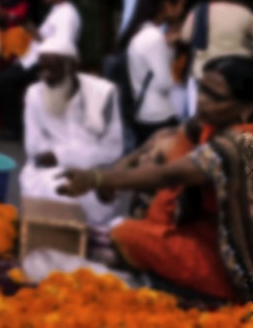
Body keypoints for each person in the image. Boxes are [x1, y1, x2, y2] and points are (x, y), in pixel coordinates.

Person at [60, 56, 253, 301]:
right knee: (171, 141)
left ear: (246, 107)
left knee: (125, 234)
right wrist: (129, 161)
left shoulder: (242, 144)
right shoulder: (214, 123)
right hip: (202, 230)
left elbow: (169, 175)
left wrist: (98, 178)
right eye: (201, 89)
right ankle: (155, 229)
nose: (202, 101)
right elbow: (168, 136)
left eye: (215, 97)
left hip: (234, 267)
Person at [20, 35, 124, 228]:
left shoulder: (103, 94)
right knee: (56, 190)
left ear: (73, 66)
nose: (46, 75)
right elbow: (34, 147)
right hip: (45, 174)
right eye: (42, 68)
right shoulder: (34, 94)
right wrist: (66, 156)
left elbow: (112, 148)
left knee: (90, 194)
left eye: (53, 68)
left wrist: (61, 155)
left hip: (92, 172)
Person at [0, 0, 82, 140]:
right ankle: (20, 127)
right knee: (8, 80)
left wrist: (37, 36)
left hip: (46, 61)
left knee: (5, 81)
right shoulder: (58, 10)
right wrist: (34, 33)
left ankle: (14, 130)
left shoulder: (67, 15)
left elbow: (59, 45)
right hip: (34, 57)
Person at [120, 0, 186, 146]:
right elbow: (164, 83)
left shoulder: (141, 32)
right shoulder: (154, 38)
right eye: (179, 4)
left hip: (144, 112)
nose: (181, 10)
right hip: (159, 114)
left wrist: (169, 47)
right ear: (166, 5)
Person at [179, 0, 253, 119]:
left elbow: (185, 38)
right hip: (236, 80)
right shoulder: (245, 13)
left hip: (203, 76)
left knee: (201, 120)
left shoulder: (199, 12)